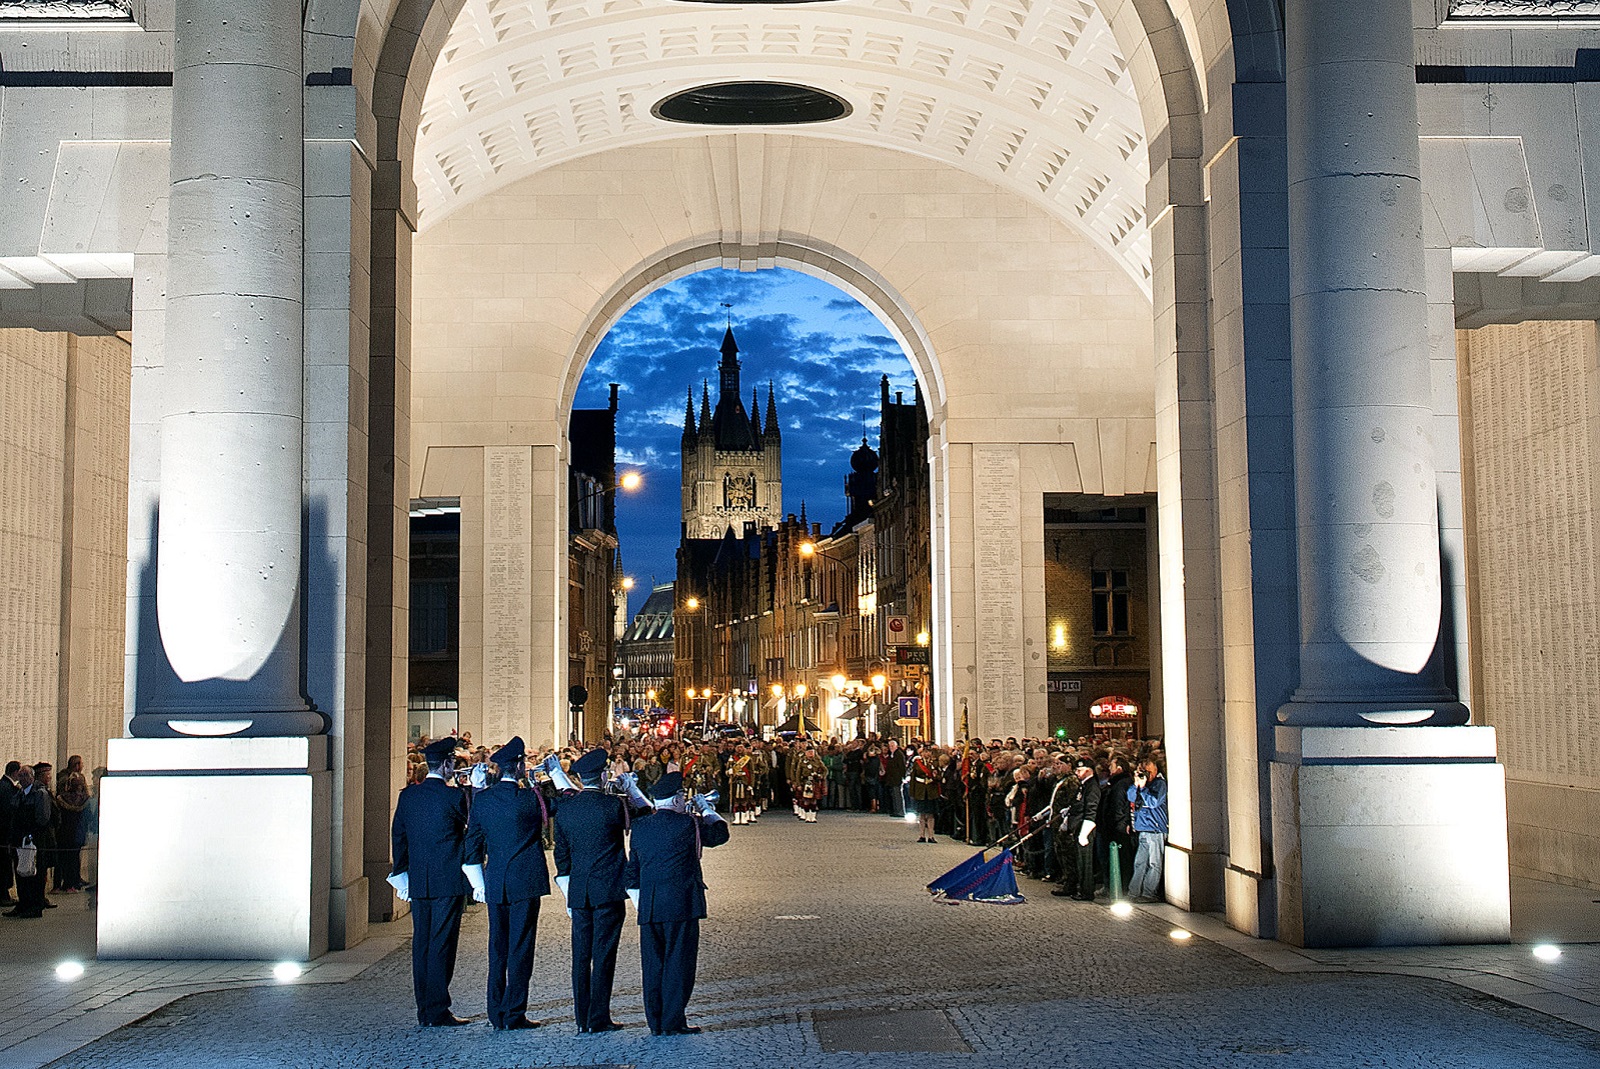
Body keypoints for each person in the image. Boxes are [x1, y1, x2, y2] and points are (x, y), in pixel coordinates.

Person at [624, 772, 730, 1036]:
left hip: (649, 905)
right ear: (677, 799)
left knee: (652, 965)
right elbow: (720, 834)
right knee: (679, 964)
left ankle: (655, 1021)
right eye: (683, 796)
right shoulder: (688, 824)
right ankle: (673, 1021)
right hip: (682, 903)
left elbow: (631, 872)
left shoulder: (641, 826)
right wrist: (706, 810)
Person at [463, 736, 549, 1031]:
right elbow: (555, 808)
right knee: (521, 948)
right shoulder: (529, 798)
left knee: (497, 947)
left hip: (496, 879)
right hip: (525, 880)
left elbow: (471, 845)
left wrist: (479, 885)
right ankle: (515, 1012)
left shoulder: (483, 800)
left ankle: (495, 1010)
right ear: (521, 766)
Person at [390, 736, 474, 1027]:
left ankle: (424, 1008)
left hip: (419, 880)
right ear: (449, 763)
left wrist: (402, 873)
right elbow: (472, 828)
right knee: (442, 944)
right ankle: (438, 1009)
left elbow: (398, 837)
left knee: (422, 944)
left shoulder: (408, 796)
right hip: (448, 879)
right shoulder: (454, 797)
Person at [553, 747, 630, 1034]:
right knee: (604, 954)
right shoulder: (613, 806)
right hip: (608, 889)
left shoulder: (566, 809)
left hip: (579, 890)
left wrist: (568, 886)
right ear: (602, 774)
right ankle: (599, 1016)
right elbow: (642, 814)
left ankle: (582, 1017)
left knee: (581, 956)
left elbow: (561, 856)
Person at [5, 764, 52, 919]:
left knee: (35, 873)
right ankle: (24, 904)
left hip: (35, 840)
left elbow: (43, 818)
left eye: (26, 775)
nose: (22, 778)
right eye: (20, 775)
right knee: (21, 873)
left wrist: (31, 834)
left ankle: (35, 905)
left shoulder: (40, 793)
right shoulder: (19, 794)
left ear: (32, 777)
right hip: (19, 839)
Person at [1052, 757, 1100, 901]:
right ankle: (1081, 888)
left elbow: (1091, 809)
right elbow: (1078, 804)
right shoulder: (1084, 785)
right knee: (1080, 860)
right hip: (1077, 825)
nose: (1077, 773)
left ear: (1089, 770)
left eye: (1080, 770)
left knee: (1085, 862)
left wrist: (1084, 833)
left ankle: (1086, 891)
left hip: (1085, 827)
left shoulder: (1092, 786)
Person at [1128, 756, 1169, 903]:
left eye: (1149, 772)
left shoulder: (1160, 784)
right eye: (1143, 772)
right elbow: (1131, 797)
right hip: (1143, 829)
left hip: (1155, 829)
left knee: (1154, 863)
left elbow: (1154, 802)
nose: (1146, 775)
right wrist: (1136, 784)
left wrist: (1144, 789)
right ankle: (1134, 892)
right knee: (1139, 862)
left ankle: (1148, 893)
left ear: (1155, 770)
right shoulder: (1140, 784)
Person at [908, 747, 939, 842]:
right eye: (925, 752)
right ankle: (921, 835)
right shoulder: (917, 763)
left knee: (930, 815)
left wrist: (935, 776)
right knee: (921, 815)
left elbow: (939, 777)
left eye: (929, 752)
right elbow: (913, 778)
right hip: (920, 791)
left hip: (931, 791)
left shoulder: (934, 763)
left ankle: (931, 835)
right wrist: (912, 792)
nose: (927, 754)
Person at [0, 761, 19, 907]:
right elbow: (8, 812)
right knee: (4, 865)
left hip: (5, 833)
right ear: (15, 772)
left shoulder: (5, 785)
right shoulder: (6, 788)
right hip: (5, 834)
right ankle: (3, 895)